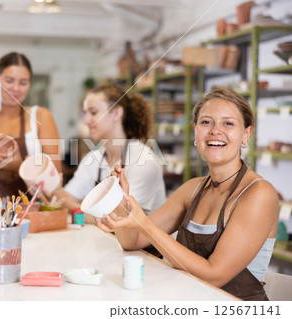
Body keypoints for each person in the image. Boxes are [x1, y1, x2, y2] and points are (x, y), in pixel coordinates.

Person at [97, 87, 279, 301]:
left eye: (228, 123)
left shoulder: (258, 194)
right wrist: (121, 198)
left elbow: (214, 276)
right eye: (206, 122)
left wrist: (144, 224)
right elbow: (132, 241)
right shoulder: (193, 190)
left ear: (246, 133)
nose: (215, 131)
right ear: (195, 131)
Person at [54, 83, 166, 224]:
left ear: (116, 114)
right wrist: (51, 188)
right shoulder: (94, 159)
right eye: (85, 113)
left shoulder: (143, 160)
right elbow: (65, 198)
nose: (86, 121)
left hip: (144, 246)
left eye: (93, 113)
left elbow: (121, 221)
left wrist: (72, 208)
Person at [0, 52, 61, 208]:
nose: (15, 88)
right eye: (9, 81)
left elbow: (54, 182)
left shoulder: (41, 117)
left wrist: (18, 165)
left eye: (23, 83)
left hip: (28, 211)